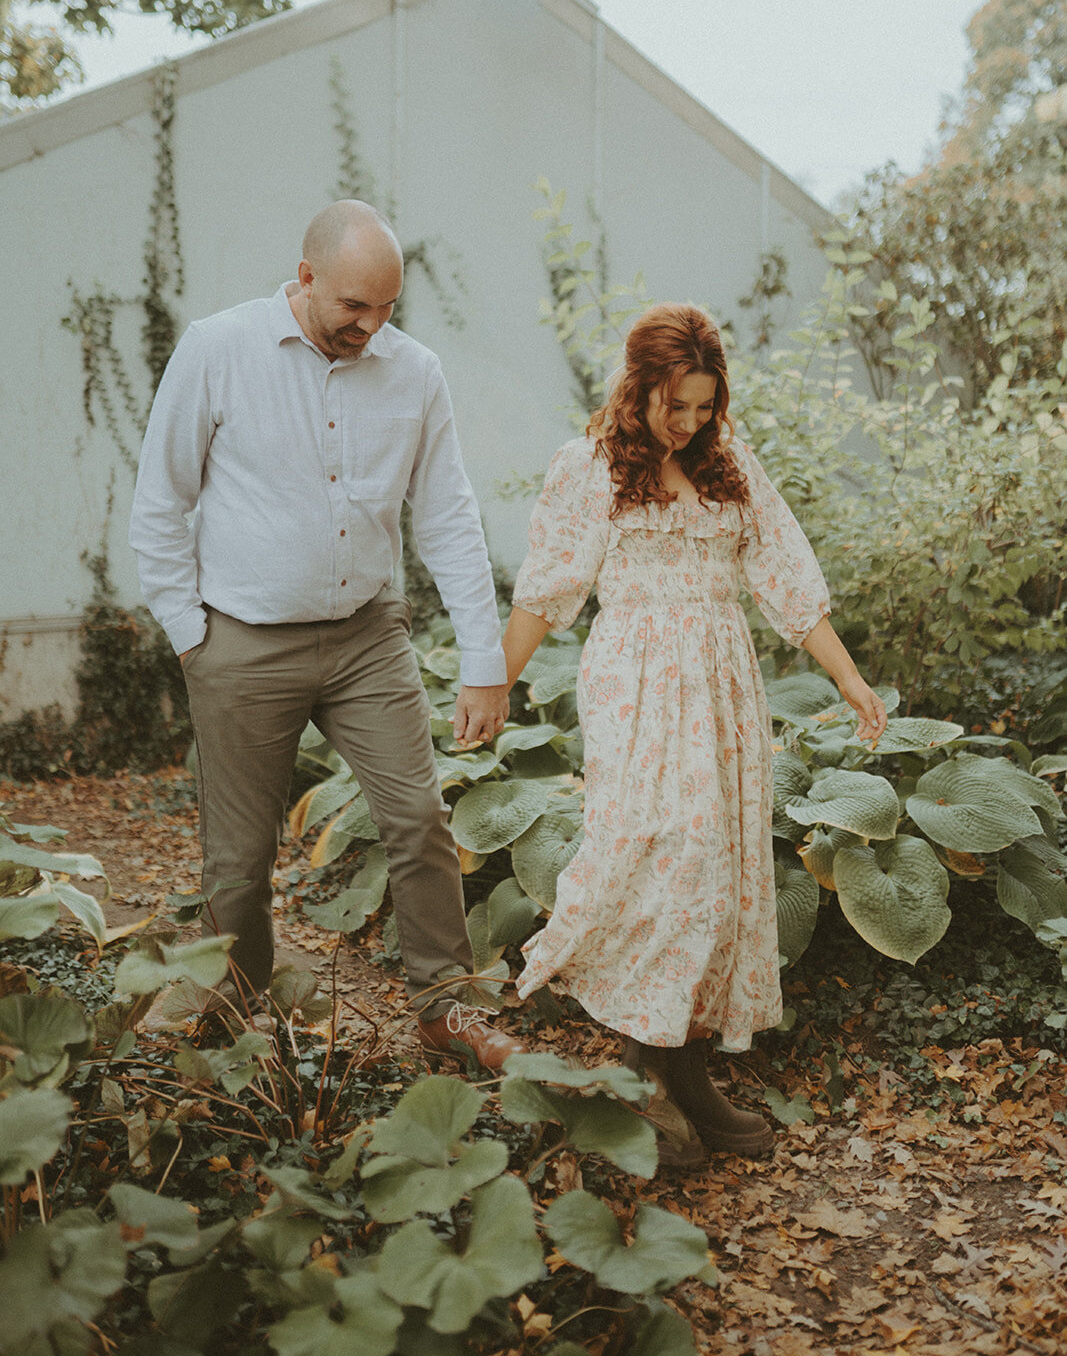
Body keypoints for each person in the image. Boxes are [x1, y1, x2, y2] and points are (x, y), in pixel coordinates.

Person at [129, 199, 521, 1070]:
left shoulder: (414, 371)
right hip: (240, 643)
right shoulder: (217, 348)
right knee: (238, 858)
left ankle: (444, 1008)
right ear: (305, 279)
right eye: (353, 306)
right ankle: (235, 1010)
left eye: (387, 308)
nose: (371, 326)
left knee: (418, 818)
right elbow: (161, 501)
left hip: (367, 640)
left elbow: (449, 516)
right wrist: (192, 637)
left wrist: (483, 662)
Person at [500, 303, 886, 1157]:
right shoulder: (590, 466)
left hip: (720, 686)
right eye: (674, 405)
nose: (689, 422)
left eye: (704, 406)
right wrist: (495, 681)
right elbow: (545, 591)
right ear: (636, 389)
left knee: (716, 861)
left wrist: (849, 677)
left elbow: (784, 574)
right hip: (636, 686)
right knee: (656, 852)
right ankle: (644, 1075)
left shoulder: (729, 465)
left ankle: (682, 1070)